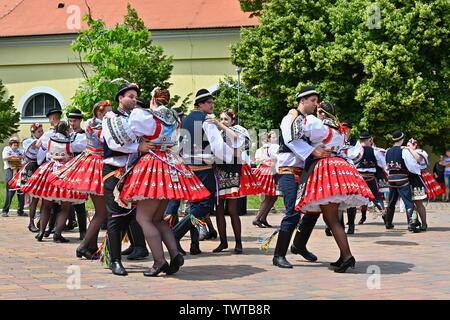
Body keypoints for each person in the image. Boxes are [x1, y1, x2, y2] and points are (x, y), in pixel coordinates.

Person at [119, 87, 211, 276]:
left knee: (143, 218)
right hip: (170, 163)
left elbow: (131, 129)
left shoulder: (146, 117)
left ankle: (159, 261)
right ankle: (175, 253)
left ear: (153, 99)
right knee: (157, 218)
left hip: (153, 164)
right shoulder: (172, 116)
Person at [295, 101, 374, 273]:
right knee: (332, 219)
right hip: (339, 169)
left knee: (332, 220)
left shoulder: (319, 126)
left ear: (322, 113)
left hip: (326, 170)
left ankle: (347, 257)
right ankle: (343, 255)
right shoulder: (339, 130)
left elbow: (298, 131)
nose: (316, 113)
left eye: (318, 111)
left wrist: (295, 115)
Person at [271, 86, 329, 269]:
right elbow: (291, 140)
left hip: (303, 171)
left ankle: (299, 245)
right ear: (302, 101)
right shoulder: (290, 118)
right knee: (293, 212)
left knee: (313, 209)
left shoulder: (307, 121)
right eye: (312, 100)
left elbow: (319, 137)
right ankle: (278, 255)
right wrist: (314, 151)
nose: (315, 104)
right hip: (287, 171)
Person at [173, 89, 234, 256]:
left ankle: (194, 245)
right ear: (200, 104)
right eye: (209, 102)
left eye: (212, 102)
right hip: (204, 168)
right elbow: (217, 147)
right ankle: (175, 234)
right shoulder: (206, 120)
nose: (212, 105)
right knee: (206, 204)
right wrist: (231, 157)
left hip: (188, 167)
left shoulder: (185, 120)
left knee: (195, 206)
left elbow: (180, 143)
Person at [100, 83, 151, 276]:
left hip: (133, 171)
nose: (134, 99)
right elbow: (115, 143)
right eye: (130, 96)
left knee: (130, 215)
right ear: (120, 98)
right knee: (116, 215)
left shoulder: (136, 117)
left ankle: (117, 252)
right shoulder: (110, 118)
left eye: (135, 96)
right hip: (114, 170)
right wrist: (138, 148)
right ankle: (115, 260)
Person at [51, 101, 112, 259]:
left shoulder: (91, 124)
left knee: (101, 211)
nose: (111, 114)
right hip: (98, 165)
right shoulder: (101, 126)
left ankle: (90, 246)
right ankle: (83, 246)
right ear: (99, 113)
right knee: (101, 212)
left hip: (89, 164)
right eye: (107, 112)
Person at [21, 121, 88, 242]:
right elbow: (84, 145)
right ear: (67, 130)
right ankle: (57, 234)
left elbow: (38, 146)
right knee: (65, 206)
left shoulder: (49, 138)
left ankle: (41, 232)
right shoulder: (72, 141)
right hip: (65, 172)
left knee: (46, 205)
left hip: (50, 171)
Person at [209, 108, 260, 254]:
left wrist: (221, 125)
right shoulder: (218, 132)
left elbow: (241, 143)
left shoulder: (237, 129)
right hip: (218, 170)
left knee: (232, 210)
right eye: (221, 118)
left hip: (233, 170)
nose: (223, 121)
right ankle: (223, 242)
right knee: (218, 209)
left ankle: (238, 243)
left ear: (232, 121)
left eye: (226, 119)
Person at [8, 123, 44, 230]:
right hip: (31, 169)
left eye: (42, 131)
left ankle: (40, 221)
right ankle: (31, 222)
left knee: (43, 197)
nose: (41, 133)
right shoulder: (27, 141)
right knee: (35, 198)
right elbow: (35, 145)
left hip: (40, 168)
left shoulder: (43, 141)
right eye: (39, 131)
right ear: (33, 133)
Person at [383, 131, 422, 233]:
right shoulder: (404, 150)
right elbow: (411, 165)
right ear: (402, 139)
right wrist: (417, 170)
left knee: (391, 201)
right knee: (408, 202)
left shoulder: (388, 151)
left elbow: (385, 166)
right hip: (402, 179)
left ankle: (388, 222)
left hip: (391, 179)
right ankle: (412, 224)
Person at [408, 139, 444, 231]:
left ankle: (423, 223)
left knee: (418, 202)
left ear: (415, 145)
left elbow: (420, 162)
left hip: (418, 177)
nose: (408, 146)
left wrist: (410, 150)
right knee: (410, 203)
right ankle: (415, 221)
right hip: (411, 177)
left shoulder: (420, 152)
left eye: (410, 145)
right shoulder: (410, 152)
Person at [352, 131, 386, 225]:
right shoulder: (375, 151)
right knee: (377, 198)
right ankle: (385, 216)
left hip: (359, 178)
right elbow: (382, 164)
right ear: (369, 139)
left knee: (356, 198)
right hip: (370, 177)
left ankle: (355, 221)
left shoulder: (355, 150)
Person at [65, 108, 88, 240]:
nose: (72, 123)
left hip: (80, 170)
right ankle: (60, 227)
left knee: (79, 201)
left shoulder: (83, 134)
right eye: (70, 121)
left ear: (80, 121)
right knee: (65, 198)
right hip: (68, 169)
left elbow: (78, 148)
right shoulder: (68, 134)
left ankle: (83, 231)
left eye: (74, 121)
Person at [253, 131, 280, 228]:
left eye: (276, 137)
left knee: (273, 196)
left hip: (267, 170)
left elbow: (258, 159)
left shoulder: (264, 148)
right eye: (273, 137)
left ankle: (263, 218)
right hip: (269, 171)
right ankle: (257, 218)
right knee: (269, 196)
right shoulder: (274, 147)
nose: (275, 139)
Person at [2, 137, 25, 217]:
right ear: (10, 143)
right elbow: (4, 158)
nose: (16, 144)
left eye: (17, 143)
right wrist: (13, 156)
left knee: (21, 190)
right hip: (10, 170)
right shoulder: (7, 149)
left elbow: (23, 158)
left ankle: (20, 211)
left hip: (19, 170)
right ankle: (5, 211)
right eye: (14, 143)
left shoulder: (20, 150)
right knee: (10, 191)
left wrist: (18, 158)